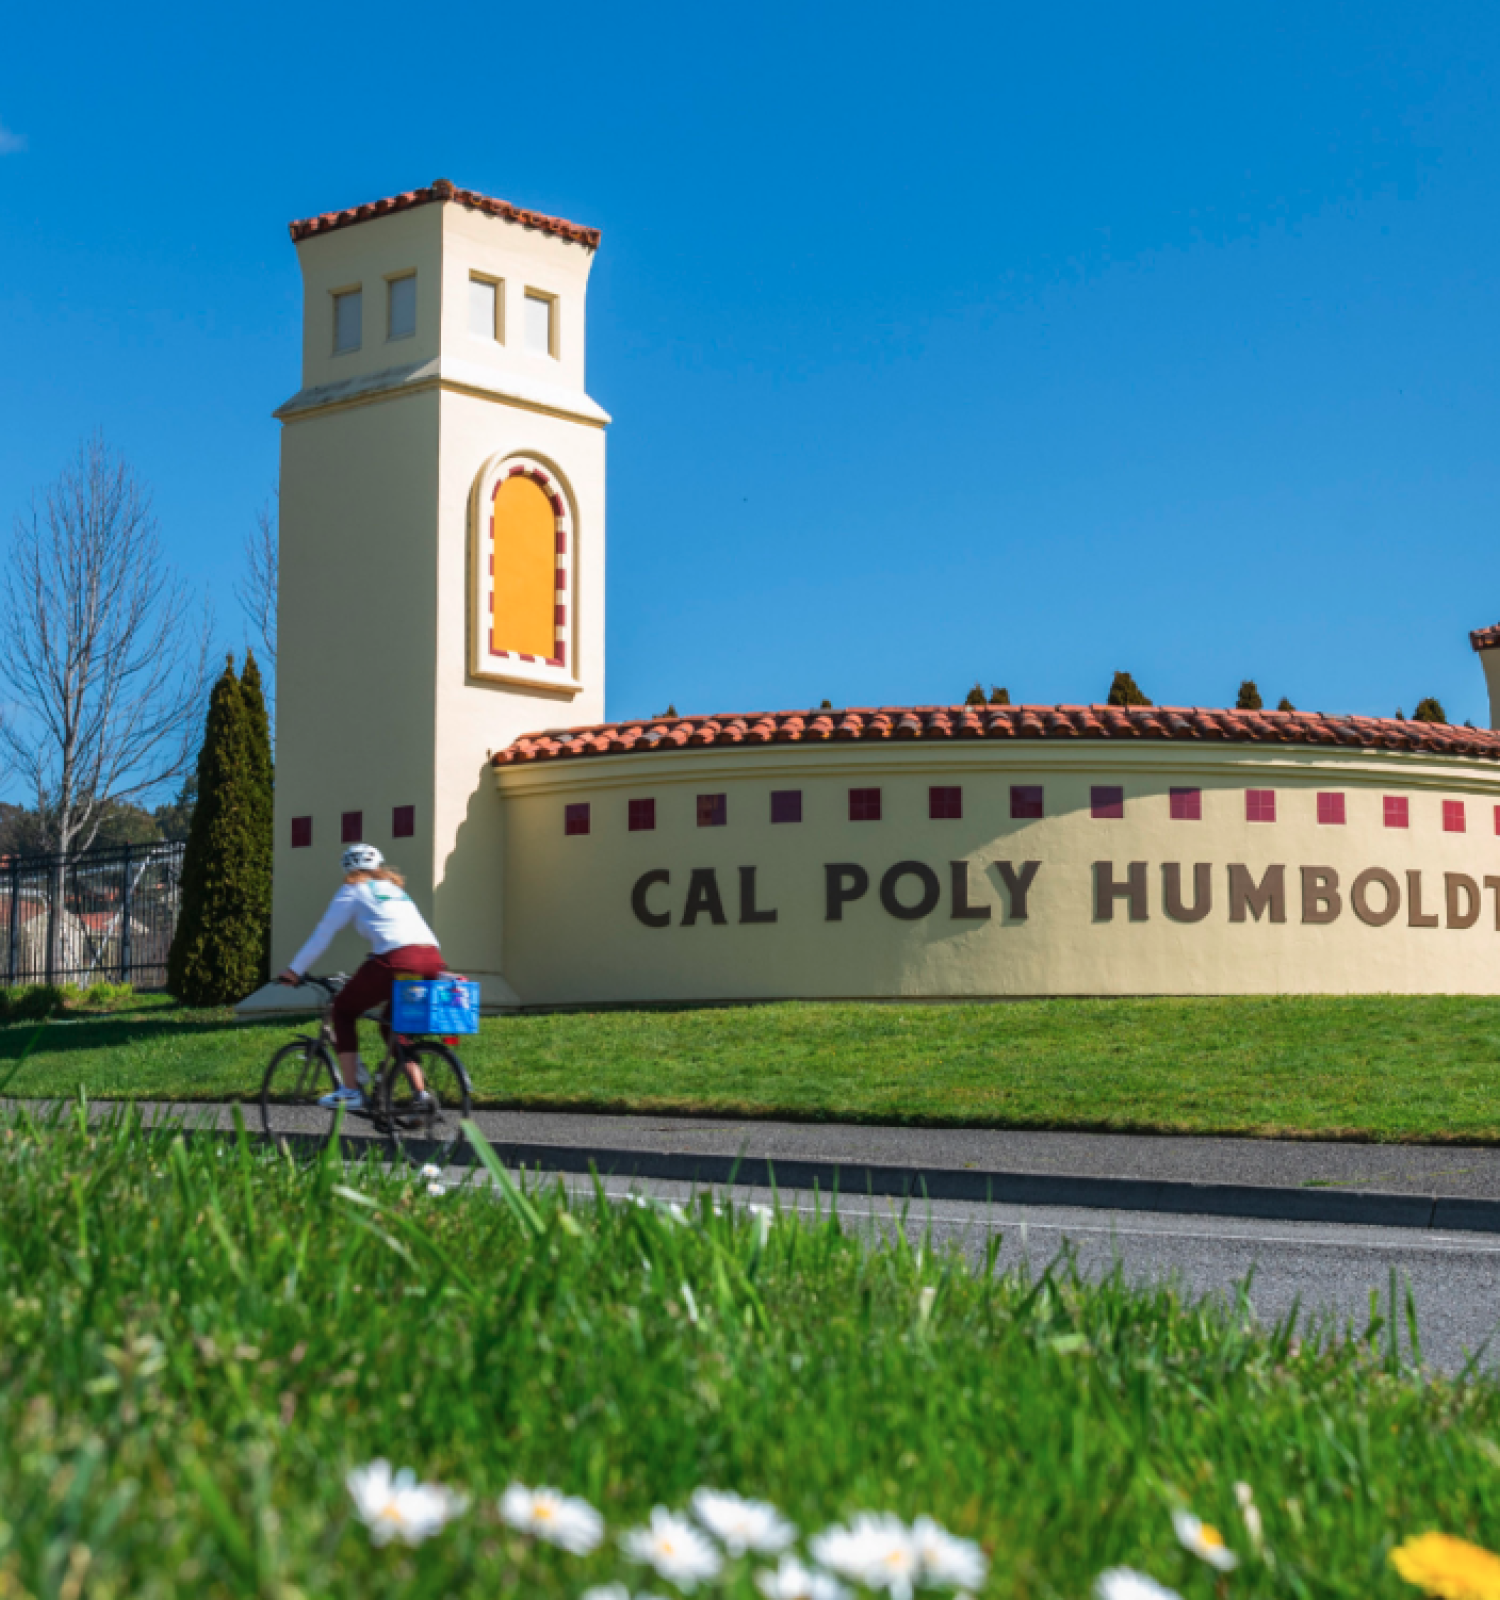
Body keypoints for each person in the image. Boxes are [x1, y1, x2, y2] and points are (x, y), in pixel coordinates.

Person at [277, 844, 445, 1109]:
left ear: (347, 869)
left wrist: (294, 971)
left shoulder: (352, 890)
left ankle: (351, 1090)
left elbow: (323, 934)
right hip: (431, 961)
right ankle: (421, 1096)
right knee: (392, 1024)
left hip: (395, 961)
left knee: (342, 1011)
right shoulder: (395, 890)